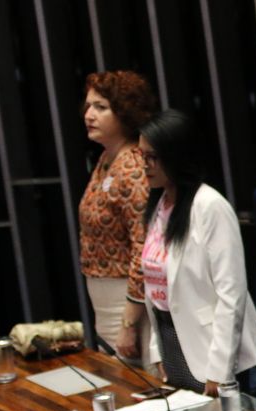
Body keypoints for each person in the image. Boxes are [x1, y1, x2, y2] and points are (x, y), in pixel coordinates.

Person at [137, 110, 256, 395]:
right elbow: (156, 285)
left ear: (176, 155)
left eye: (152, 157)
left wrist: (219, 371)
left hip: (211, 348)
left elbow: (230, 294)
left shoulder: (210, 206)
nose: (144, 165)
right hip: (173, 339)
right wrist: (158, 350)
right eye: (141, 156)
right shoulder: (160, 204)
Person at [78, 70, 157, 360]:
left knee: (133, 387)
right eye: (88, 106)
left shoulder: (134, 166)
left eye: (101, 107)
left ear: (125, 112)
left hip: (128, 302)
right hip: (104, 298)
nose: (89, 114)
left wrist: (129, 321)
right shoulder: (105, 159)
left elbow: (143, 246)